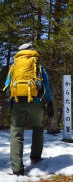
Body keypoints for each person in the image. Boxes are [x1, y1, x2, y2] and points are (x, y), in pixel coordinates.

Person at [4, 42, 54, 176]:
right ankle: (35, 157)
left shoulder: (14, 66)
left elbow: (7, 84)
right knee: (38, 128)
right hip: (36, 102)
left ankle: (17, 168)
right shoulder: (37, 66)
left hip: (18, 102)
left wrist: (12, 101)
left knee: (16, 133)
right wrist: (49, 102)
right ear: (31, 51)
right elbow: (46, 85)